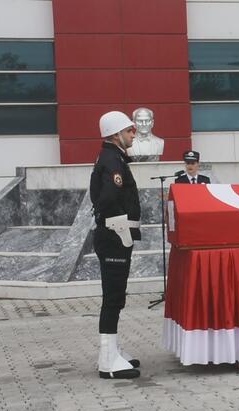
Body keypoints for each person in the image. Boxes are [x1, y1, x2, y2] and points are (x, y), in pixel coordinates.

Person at [90, 111, 143, 379]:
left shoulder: (113, 157)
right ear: (115, 134)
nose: (134, 133)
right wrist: (117, 223)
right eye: (129, 130)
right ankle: (107, 362)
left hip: (115, 234)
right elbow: (108, 197)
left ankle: (112, 352)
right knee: (113, 298)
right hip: (114, 235)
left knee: (115, 297)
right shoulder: (112, 160)